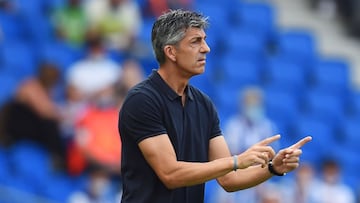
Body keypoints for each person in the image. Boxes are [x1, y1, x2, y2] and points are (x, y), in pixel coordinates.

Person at [118, 9, 312, 203]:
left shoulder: (203, 105)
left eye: (204, 40)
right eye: (196, 41)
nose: (206, 48)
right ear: (171, 52)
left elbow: (229, 178)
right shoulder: (142, 101)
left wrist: (273, 168)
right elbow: (170, 174)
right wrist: (237, 161)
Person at [224, 86, 278, 155]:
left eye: (257, 105)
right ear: (244, 106)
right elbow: (231, 151)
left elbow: (273, 150)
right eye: (251, 105)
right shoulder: (234, 125)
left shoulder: (267, 125)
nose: (255, 108)